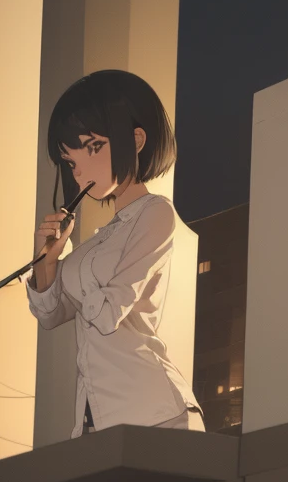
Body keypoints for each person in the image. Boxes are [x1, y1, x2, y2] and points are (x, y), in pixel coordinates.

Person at [27, 69, 204, 437]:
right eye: (71, 160)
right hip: (95, 418)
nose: (80, 171)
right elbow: (50, 314)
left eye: (93, 148)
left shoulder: (157, 213)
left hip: (155, 413)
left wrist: (71, 274)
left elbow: (108, 312)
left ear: (136, 139)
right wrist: (50, 259)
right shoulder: (95, 242)